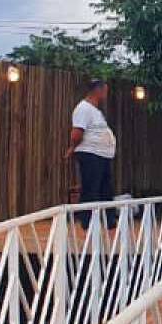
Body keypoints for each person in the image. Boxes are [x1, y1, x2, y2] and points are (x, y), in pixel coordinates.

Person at [64, 79, 115, 227]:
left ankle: (108, 220)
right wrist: (72, 147)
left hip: (102, 155)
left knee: (105, 188)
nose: (106, 94)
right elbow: (77, 132)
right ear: (98, 90)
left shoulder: (96, 111)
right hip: (90, 154)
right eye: (105, 91)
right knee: (91, 187)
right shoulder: (83, 108)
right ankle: (87, 221)